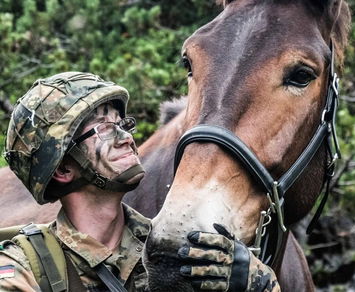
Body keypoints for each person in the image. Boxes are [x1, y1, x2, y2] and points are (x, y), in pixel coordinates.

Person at [0, 72, 280, 291]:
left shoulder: (178, 250)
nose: (126, 138)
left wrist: (258, 283)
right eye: (106, 129)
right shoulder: (24, 266)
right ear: (63, 169)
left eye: (123, 124)